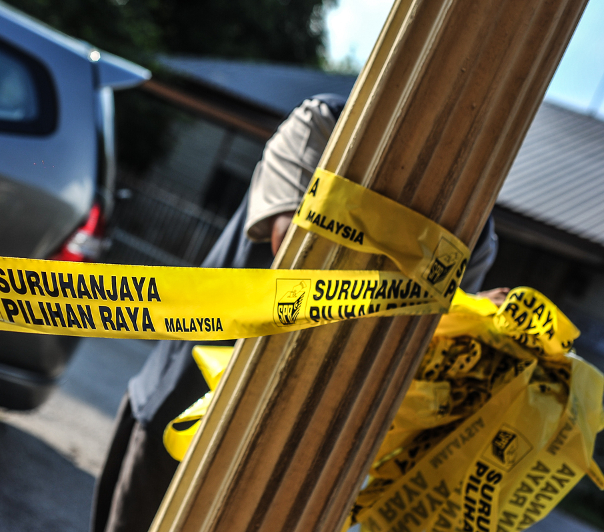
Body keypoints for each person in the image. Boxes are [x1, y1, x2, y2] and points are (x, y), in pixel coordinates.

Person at [90, 95, 501, 532]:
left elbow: (426, 346)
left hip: (300, 465)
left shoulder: (475, 229)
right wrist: (425, 299)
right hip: (187, 409)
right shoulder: (326, 123)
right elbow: (294, 249)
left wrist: (478, 322)